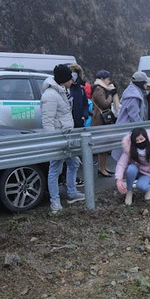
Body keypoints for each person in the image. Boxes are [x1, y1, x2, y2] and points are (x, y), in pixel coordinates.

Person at [41, 64, 85, 213]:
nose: (72, 80)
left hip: (67, 136)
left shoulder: (61, 91)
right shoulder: (50, 95)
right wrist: (53, 142)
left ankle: (72, 193)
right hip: (59, 138)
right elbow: (47, 121)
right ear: (63, 79)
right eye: (70, 78)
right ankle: (55, 201)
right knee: (55, 169)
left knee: (74, 163)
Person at [115, 127, 150, 206]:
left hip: (149, 172)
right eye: (137, 141)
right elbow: (121, 164)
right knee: (131, 169)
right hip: (137, 170)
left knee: (141, 186)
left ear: (146, 138)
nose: (139, 142)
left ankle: (148, 188)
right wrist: (118, 179)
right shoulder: (129, 148)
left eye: (141, 139)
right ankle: (129, 191)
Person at [111, 71, 150, 161]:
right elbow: (133, 114)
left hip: (124, 126)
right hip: (127, 127)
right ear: (141, 83)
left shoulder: (131, 91)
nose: (146, 85)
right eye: (145, 83)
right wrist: (141, 128)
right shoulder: (134, 95)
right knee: (125, 156)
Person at [91, 70, 119, 176]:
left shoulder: (101, 88)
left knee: (104, 146)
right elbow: (105, 104)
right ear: (102, 79)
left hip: (101, 120)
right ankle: (101, 169)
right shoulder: (98, 89)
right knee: (102, 146)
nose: (109, 81)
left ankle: (103, 168)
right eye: (108, 79)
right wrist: (111, 95)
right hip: (99, 120)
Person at [68, 64, 89, 128]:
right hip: (69, 121)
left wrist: (84, 116)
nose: (73, 74)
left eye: (75, 72)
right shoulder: (66, 88)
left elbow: (85, 104)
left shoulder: (81, 89)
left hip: (80, 122)